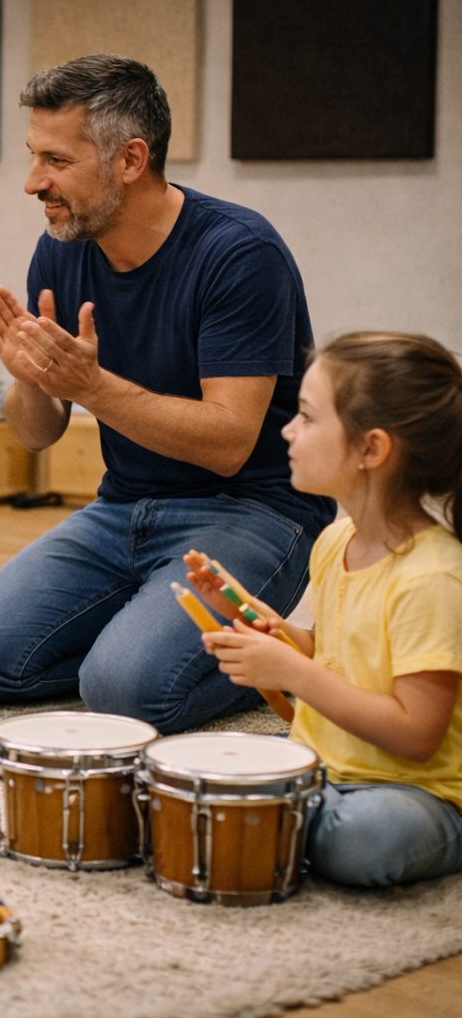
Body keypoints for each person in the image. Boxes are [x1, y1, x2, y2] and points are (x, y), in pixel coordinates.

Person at [0, 55, 335, 733]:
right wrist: (32, 380)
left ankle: (293, 664)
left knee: (125, 691)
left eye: (56, 161)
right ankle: (137, 647)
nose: (33, 182)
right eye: (34, 156)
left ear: (130, 159)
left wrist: (93, 387)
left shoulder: (239, 253)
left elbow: (229, 444)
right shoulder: (61, 247)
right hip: (123, 505)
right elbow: (37, 433)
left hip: (254, 510)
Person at [191, 332, 462, 886]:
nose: (288, 430)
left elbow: (417, 734)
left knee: (361, 838)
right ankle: (293, 815)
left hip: (415, 791)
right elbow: (332, 652)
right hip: (324, 762)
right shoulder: (336, 540)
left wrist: (292, 672)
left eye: (308, 417)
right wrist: (258, 620)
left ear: (372, 450)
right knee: (198, 766)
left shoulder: (433, 576)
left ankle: (297, 821)